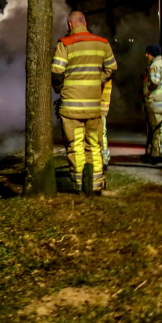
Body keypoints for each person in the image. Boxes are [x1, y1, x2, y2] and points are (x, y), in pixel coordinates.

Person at [52, 11, 117, 196]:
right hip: (94, 107)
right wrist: (98, 81)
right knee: (94, 145)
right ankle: (96, 186)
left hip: (71, 108)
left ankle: (80, 186)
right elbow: (112, 68)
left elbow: (57, 73)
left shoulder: (65, 44)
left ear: (70, 25)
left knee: (76, 145)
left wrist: (61, 89)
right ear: (85, 23)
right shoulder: (102, 43)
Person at [142, 44, 162, 164]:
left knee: (156, 130)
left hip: (155, 103)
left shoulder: (155, 65)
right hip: (160, 103)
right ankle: (155, 153)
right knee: (157, 129)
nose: (146, 55)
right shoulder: (161, 63)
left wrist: (146, 91)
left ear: (152, 53)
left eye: (148, 53)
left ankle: (157, 155)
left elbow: (154, 82)